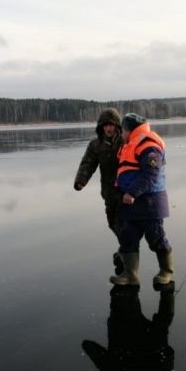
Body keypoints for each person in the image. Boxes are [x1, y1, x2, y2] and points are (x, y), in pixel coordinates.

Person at [110, 113, 174, 286]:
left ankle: (166, 271)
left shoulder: (148, 144)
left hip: (150, 203)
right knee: (128, 237)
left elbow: (151, 173)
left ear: (129, 130)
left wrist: (132, 192)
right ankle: (130, 275)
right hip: (131, 204)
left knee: (156, 238)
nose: (121, 134)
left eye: (122, 130)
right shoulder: (130, 143)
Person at [82, 284, 175, 371]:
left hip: (155, 348)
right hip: (129, 339)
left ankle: (167, 285)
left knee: (162, 322)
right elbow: (88, 346)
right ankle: (128, 276)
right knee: (124, 292)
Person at [74, 107, 124, 270]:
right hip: (108, 192)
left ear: (117, 126)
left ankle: (127, 255)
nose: (109, 128)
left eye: (112, 125)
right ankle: (125, 248)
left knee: (124, 224)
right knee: (112, 223)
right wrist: (81, 181)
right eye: (106, 125)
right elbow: (88, 163)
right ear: (101, 127)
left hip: (125, 192)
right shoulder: (96, 145)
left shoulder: (125, 142)